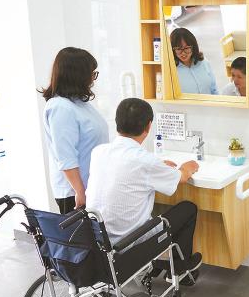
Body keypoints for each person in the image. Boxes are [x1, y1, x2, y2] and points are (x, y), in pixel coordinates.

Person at [86, 98, 202, 278]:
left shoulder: (99, 152)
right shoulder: (145, 161)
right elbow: (182, 177)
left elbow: (129, 169)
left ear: (117, 123)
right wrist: (189, 166)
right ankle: (180, 271)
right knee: (188, 208)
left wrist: (158, 166)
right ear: (148, 126)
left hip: (97, 240)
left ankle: (162, 264)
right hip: (129, 243)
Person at [41, 47, 109, 214]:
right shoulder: (60, 107)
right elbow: (65, 156)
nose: (93, 79)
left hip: (91, 186)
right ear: (77, 75)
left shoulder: (79, 103)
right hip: (75, 193)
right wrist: (80, 191)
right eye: (91, 74)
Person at [170, 27, 218, 95]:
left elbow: (214, 88)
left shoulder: (203, 62)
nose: (183, 53)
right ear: (172, 50)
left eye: (186, 48)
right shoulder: (171, 70)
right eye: (178, 49)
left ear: (193, 46)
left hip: (209, 101)